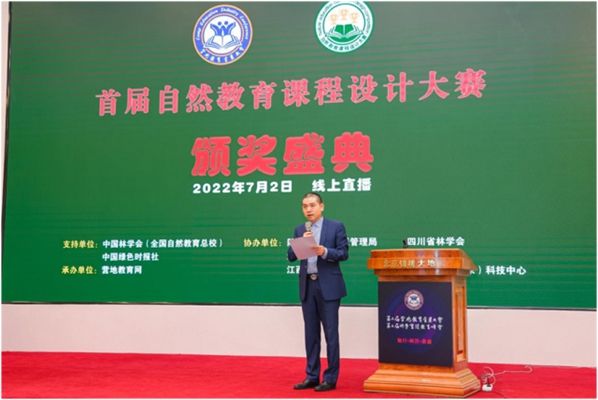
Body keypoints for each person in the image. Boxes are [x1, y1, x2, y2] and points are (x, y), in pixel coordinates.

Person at [288, 192, 349, 392]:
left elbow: (344, 253)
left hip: (329, 287)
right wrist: (301, 243)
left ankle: (330, 378)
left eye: (312, 205)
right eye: (305, 206)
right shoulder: (300, 229)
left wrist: (325, 252)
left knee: (331, 334)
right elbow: (291, 256)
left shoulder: (336, 226)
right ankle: (312, 376)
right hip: (308, 286)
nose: (309, 209)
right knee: (311, 334)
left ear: (321, 206)